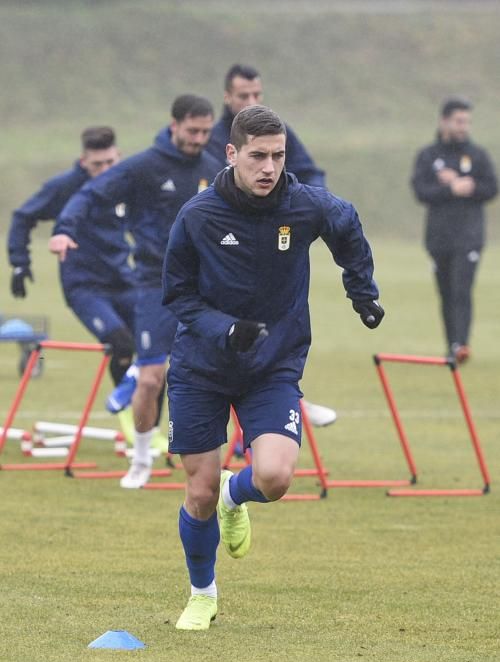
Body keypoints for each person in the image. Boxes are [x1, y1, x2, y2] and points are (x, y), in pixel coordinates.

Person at [162, 104, 384, 631]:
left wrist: (363, 294)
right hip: (201, 366)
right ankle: (202, 593)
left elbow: (347, 226)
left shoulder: (304, 205)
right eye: (258, 156)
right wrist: (225, 329)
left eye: (278, 156)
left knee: (277, 477)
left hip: (271, 366)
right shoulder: (199, 215)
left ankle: (236, 498)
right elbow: (177, 295)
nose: (269, 167)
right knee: (198, 489)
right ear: (232, 154)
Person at [53, 95, 221, 488]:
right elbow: (89, 194)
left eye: (205, 131)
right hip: (153, 285)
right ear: (174, 124)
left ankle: (261, 435)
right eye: (192, 130)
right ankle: (142, 458)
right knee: (150, 379)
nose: (198, 138)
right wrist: (65, 228)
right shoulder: (144, 166)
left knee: (236, 362)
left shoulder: (214, 169)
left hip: (203, 286)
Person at [206, 63, 335, 428]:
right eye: (243, 96)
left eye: (257, 95)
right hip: (214, 249)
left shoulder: (276, 133)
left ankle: (282, 399)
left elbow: (311, 175)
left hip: (267, 243)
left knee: (273, 318)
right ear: (227, 97)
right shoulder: (209, 137)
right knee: (201, 326)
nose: (251, 101)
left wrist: (314, 214)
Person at [8, 127, 138, 436]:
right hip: (85, 287)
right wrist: (19, 263)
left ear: (118, 156)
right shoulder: (65, 187)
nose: (105, 171)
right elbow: (22, 217)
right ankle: (129, 422)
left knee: (154, 350)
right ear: (83, 161)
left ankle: (149, 431)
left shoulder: (127, 183)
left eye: (110, 163)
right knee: (121, 343)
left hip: (126, 280)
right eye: (97, 165)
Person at [410, 97, 498, 362]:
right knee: (446, 292)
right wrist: (449, 188)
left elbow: (491, 188)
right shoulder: (429, 156)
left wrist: (467, 186)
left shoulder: (477, 155)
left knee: (461, 289)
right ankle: (452, 346)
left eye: (467, 122)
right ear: (444, 121)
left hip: (469, 237)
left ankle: (461, 344)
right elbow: (421, 191)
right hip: (438, 238)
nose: (464, 127)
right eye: (459, 121)